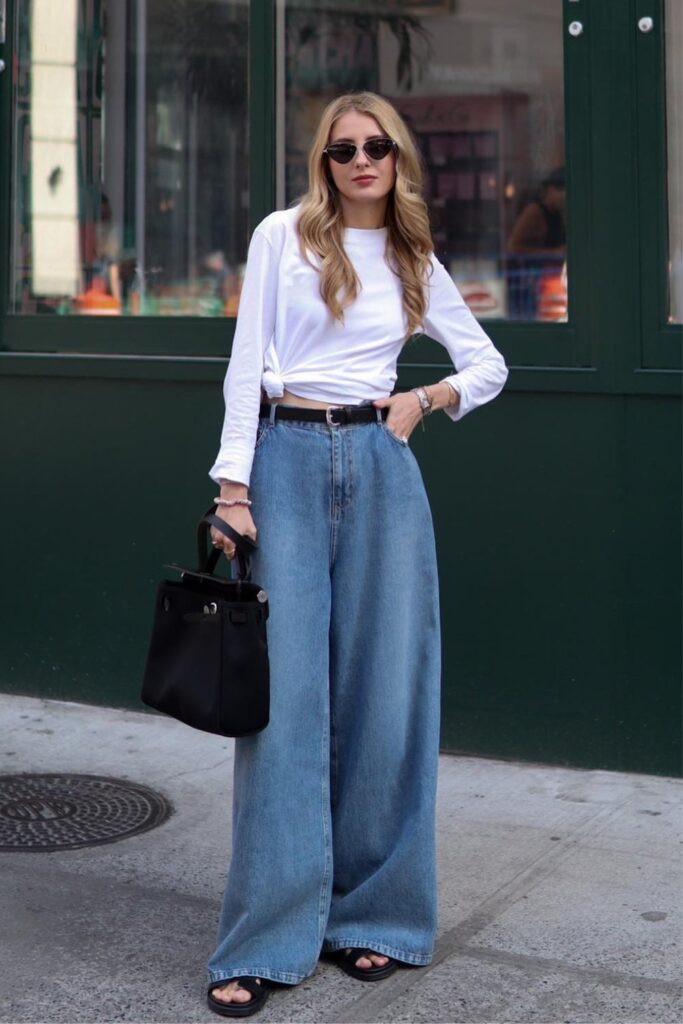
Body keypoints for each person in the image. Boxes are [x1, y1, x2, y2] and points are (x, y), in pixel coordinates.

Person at [205, 91, 508, 1017]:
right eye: (344, 149)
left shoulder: (415, 257)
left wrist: (428, 399)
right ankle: (266, 936)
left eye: (377, 147)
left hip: (381, 467)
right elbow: (244, 361)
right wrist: (231, 487)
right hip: (287, 464)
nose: (362, 160)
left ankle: (375, 919)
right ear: (324, 160)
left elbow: (488, 364)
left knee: (388, 696)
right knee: (282, 709)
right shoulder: (281, 236)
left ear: (397, 157)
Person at [506, 167, 566, 318]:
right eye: (562, 191)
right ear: (551, 190)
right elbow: (513, 248)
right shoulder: (535, 212)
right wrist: (553, 253)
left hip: (552, 281)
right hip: (534, 283)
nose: (565, 197)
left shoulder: (558, 214)